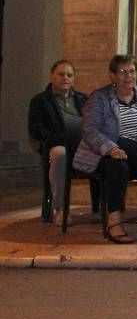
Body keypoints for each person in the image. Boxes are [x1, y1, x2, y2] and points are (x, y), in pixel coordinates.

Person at [72, 55, 137, 244]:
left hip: (134, 151)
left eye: (132, 71)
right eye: (123, 72)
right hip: (103, 152)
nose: (129, 76)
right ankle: (114, 222)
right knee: (118, 166)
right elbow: (89, 130)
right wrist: (110, 148)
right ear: (112, 76)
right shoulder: (99, 98)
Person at [28, 60, 88, 223]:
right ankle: (60, 209)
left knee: (109, 151)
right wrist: (61, 138)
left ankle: (111, 210)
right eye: (61, 74)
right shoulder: (40, 101)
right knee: (60, 154)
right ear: (51, 76)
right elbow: (36, 130)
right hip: (57, 145)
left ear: (74, 79)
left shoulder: (84, 99)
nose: (65, 78)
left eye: (69, 75)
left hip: (83, 145)